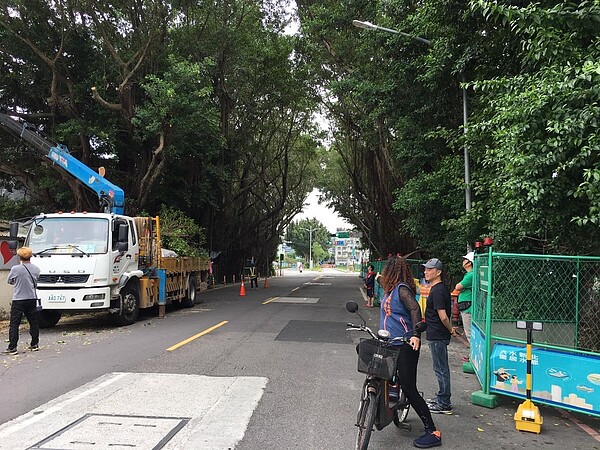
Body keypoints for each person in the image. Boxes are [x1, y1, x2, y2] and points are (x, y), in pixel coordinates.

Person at [379, 256, 442, 448]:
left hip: (406, 344)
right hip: (389, 342)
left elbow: (415, 309)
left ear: (392, 273)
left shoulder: (401, 289)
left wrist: (415, 334)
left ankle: (432, 431)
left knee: (409, 387)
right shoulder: (389, 291)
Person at [422, 258, 457, 415]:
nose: (426, 272)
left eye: (429, 269)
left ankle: (444, 403)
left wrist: (450, 329)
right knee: (440, 368)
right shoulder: (440, 288)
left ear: (438, 272)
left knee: (441, 369)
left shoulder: (437, 290)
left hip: (437, 335)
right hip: (437, 334)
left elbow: (443, 316)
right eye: (425, 269)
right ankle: (441, 398)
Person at [2, 247, 41, 355]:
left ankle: (12, 347)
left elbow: (10, 281)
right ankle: (34, 344)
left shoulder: (15, 269)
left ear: (19, 257)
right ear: (31, 256)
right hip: (31, 298)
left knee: (14, 324)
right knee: (33, 322)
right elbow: (36, 281)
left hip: (19, 299)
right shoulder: (36, 269)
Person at [455, 251, 474, 362]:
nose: (463, 261)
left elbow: (458, 287)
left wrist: (461, 288)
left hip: (468, 307)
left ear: (469, 263)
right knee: (469, 332)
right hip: (467, 306)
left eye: (465, 259)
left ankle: (472, 357)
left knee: (469, 333)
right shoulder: (469, 275)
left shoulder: (470, 275)